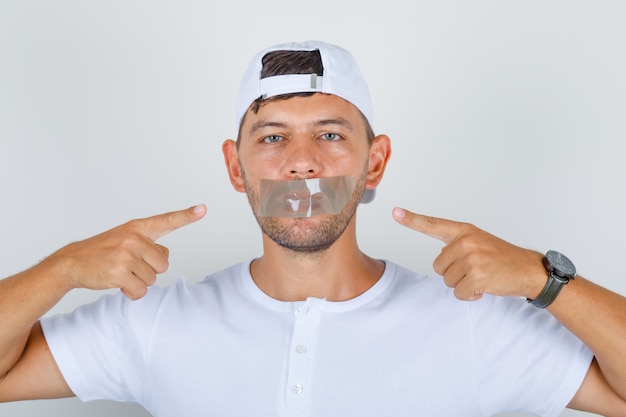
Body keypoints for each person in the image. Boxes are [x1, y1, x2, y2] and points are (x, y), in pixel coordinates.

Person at [1, 40, 625, 417]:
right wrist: (62, 270)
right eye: (273, 138)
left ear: (373, 161)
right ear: (235, 166)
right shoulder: (156, 322)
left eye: (330, 134)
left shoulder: (471, 321)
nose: (302, 161)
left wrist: (546, 281)